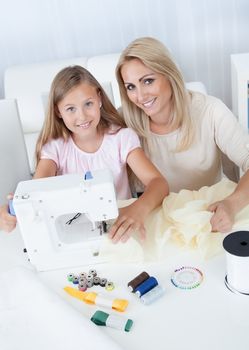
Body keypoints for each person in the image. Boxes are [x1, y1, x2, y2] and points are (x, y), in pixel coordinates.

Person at [0, 65, 169, 242]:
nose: (82, 117)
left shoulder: (122, 139)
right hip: (76, 234)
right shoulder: (55, 149)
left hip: (120, 231)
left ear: (99, 99)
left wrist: (137, 209)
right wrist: (12, 209)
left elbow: (158, 183)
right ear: (58, 111)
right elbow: (36, 190)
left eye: (88, 104)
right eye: (70, 109)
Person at [115, 36, 249, 233]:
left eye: (148, 81)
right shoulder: (122, 121)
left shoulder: (211, 111)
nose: (140, 96)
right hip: (157, 220)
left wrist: (232, 204)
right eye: (131, 87)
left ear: (169, 75)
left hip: (208, 216)